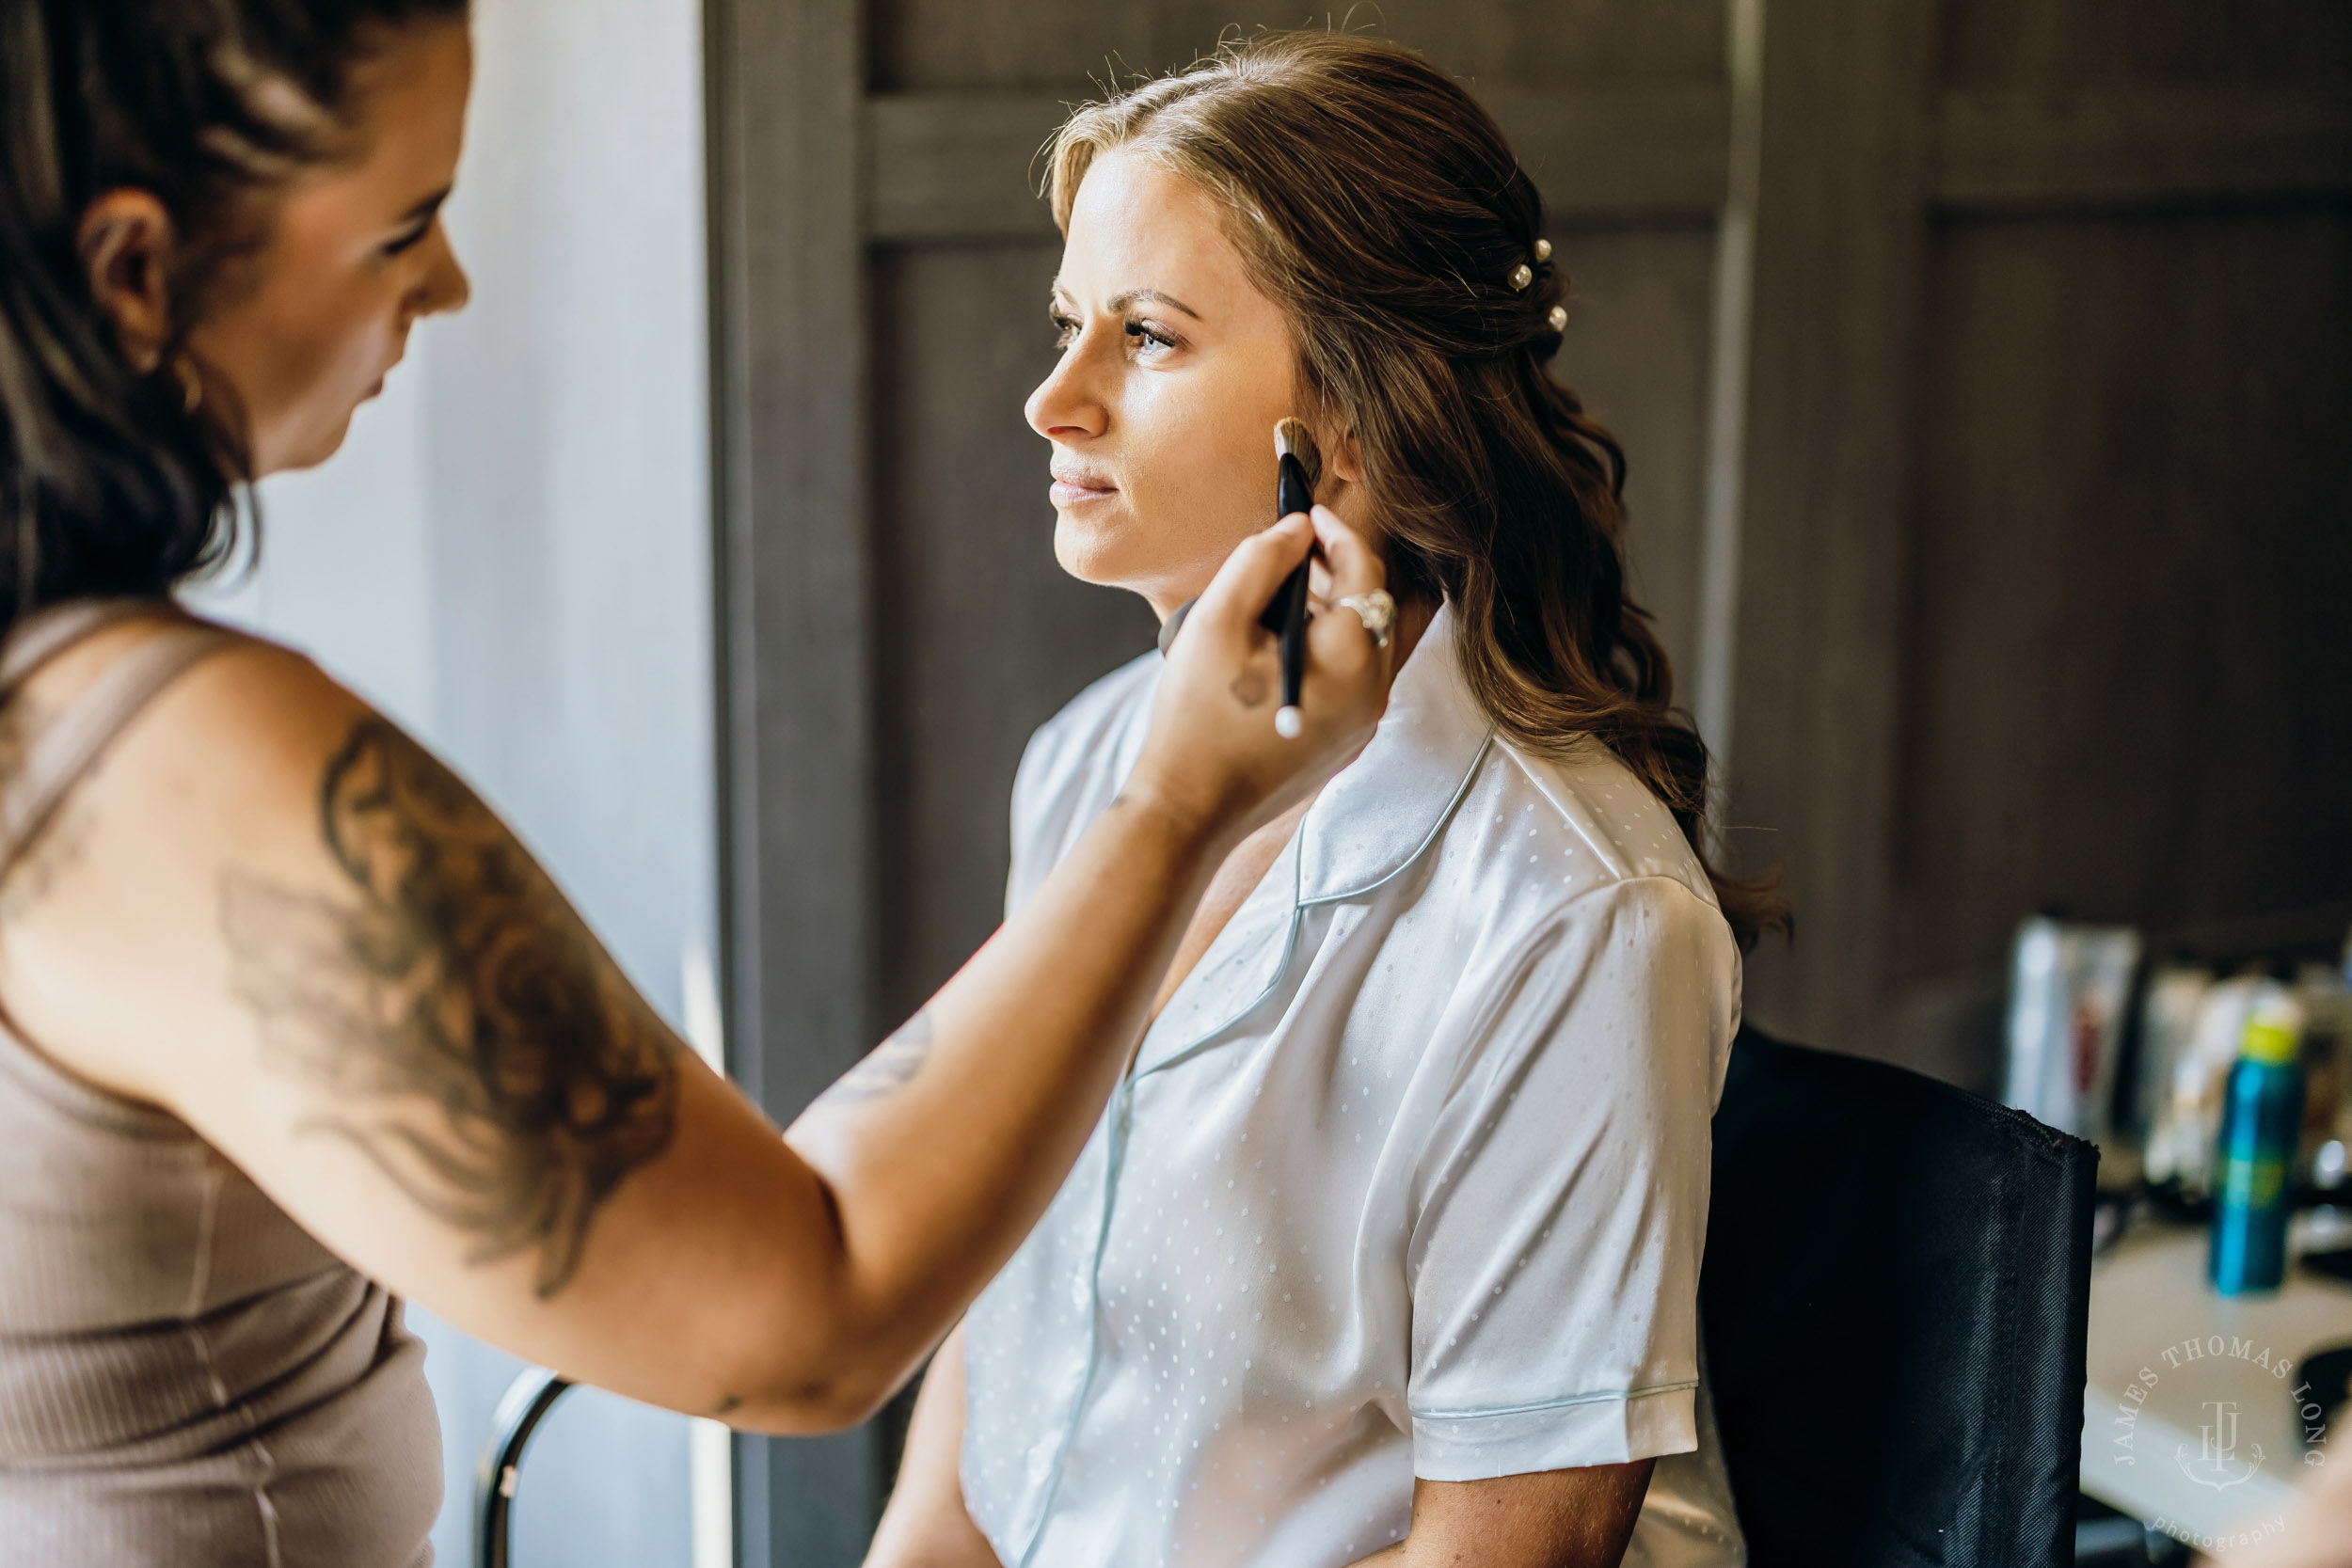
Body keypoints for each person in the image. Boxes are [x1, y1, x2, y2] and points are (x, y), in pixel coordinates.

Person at [0, 4, 1396, 1564]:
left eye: (1143, 331)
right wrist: (1173, 807)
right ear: (136, 272)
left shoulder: (1572, 897)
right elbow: (812, 1305)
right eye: (402, 230)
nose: (446, 283)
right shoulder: (169, 782)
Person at [863, 30, 1787, 1568]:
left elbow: (1505, 1557)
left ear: (1351, 424)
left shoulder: (1577, 920)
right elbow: (1008, 1284)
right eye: (1067, 323)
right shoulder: (1090, 763)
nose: (1051, 400)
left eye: (1144, 339)